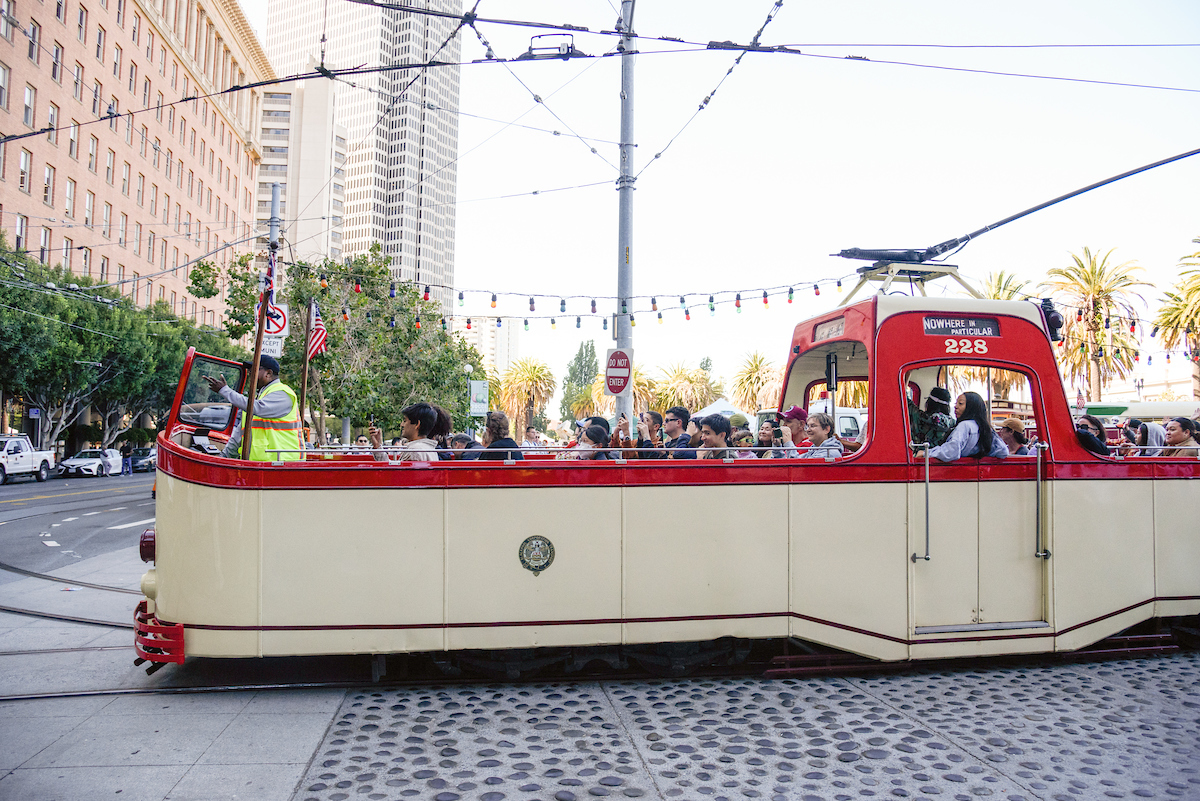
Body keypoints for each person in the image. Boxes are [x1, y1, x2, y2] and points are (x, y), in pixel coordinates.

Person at [204, 355, 303, 462]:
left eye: (254, 370)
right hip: (260, 465)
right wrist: (223, 458)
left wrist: (225, 390)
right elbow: (239, 435)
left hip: (285, 465)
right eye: (250, 371)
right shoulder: (260, 398)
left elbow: (258, 408)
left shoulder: (283, 394)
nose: (250, 374)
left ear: (268, 373)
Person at [918, 391, 1008, 461]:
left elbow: (951, 451)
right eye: (956, 404)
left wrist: (926, 453)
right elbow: (1003, 451)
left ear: (971, 407)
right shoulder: (985, 428)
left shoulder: (964, 425)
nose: (956, 407)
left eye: (960, 404)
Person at [368, 402, 449, 462]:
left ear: (417, 424)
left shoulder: (414, 451)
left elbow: (394, 477)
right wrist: (377, 446)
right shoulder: (428, 449)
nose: (401, 425)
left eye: (405, 421)